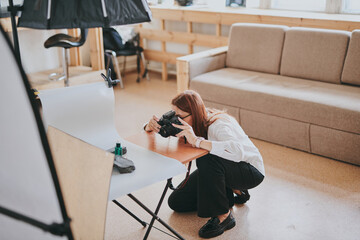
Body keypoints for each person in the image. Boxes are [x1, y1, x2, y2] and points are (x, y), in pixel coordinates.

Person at [144, 90, 265, 238]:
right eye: (173, 114)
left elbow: (237, 151)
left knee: (206, 157)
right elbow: (164, 132)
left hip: (249, 170)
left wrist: (197, 141)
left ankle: (224, 216)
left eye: (180, 116)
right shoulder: (189, 121)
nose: (176, 120)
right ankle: (233, 191)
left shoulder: (218, 124)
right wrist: (149, 127)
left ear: (193, 113)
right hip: (221, 169)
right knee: (176, 202)